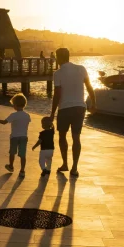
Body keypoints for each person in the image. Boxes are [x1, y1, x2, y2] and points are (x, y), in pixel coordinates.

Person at [50, 47, 95, 177]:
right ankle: (74, 168)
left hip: (64, 108)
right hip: (80, 107)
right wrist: (94, 103)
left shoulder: (57, 73)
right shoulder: (81, 68)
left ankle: (65, 164)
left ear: (59, 58)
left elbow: (57, 94)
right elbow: (89, 87)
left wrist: (52, 113)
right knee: (76, 137)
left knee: (62, 136)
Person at [0, 92, 30, 177]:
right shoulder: (27, 115)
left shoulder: (13, 115)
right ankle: (22, 170)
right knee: (23, 155)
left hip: (14, 137)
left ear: (15, 105)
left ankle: (11, 166)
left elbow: (4, 122)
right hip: (24, 137)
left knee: (12, 152)